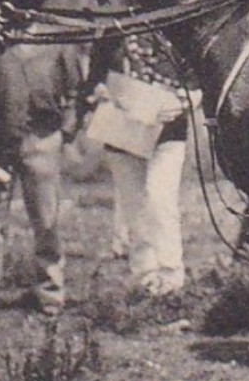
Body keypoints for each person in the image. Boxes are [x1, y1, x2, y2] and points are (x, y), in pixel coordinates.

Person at [0, 42, 85, 318]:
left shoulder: (57, 42)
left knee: (47, 221)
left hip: (43, 139)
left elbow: (75, 90)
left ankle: (50, 293)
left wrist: (65, 131)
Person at [84, 32, 201, 297]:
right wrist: (99, 93)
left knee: (160, 200)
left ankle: (171, 276)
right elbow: (93, 81)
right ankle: (145, 278)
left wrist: (185, 102)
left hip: (168, 132)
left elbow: (198, 83)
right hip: (122, 128)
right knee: (133, 206)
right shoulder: (112, 35)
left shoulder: (177, 33)